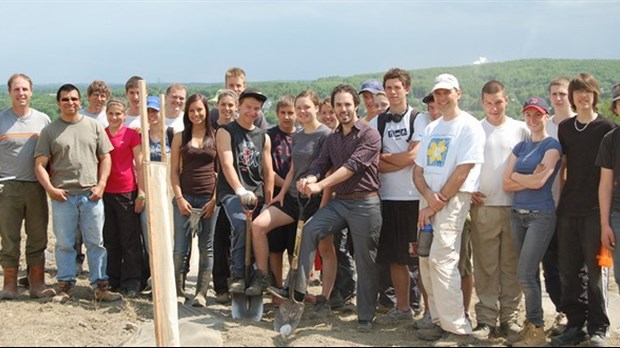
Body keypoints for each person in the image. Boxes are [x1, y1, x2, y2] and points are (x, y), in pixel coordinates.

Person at [294, 84, 382, 332]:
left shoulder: (369, 135)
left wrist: (321, 184)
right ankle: (298, 293)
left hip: (366, 202)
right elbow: (320, 164)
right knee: (311, 230)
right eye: (338, 105)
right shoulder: (332, 139)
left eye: (347, 104)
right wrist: (309, 178)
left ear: (356, 106)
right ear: (332, 107)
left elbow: (351, 167)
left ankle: (365, 315)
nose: (343, 109)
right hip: (341, 202)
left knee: (365, 260)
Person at [413, 73, 484, 345]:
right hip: (428, 201)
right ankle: (438, 319)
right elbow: (418, 171)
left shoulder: (469, 126)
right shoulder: (432, 128)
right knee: (425, 259)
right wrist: (429, 198)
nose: (441, 98)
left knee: (443, 261)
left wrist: (437, 200)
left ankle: (457, 327)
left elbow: (463, 170)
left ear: (458, 93)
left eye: (446, 93)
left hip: (452, 202)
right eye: (437, 94)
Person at [34, 83, 120, 303]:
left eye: (73, 99)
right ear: (58, 103)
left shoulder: (94, 126)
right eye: (65, 99)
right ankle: (65, 286)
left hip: (91, 196)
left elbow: (106, 157)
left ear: (80, 101)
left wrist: (101, 185)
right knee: (64, 243)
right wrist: (51, 190)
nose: (70, 103)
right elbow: (39, 165)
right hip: (63, 197)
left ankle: (100, 286)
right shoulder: (50, 131)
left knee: (96, 242)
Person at [248, 91, 333, 310]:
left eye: (307, 107)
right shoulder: (298, 134)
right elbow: (294, 168)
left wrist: (324, 202)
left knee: (320, 247)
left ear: (316, 108)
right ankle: (264, 277)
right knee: (258, 226)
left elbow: (329, 170)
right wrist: (282, 193)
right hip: (294, 198)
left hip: (316, 199)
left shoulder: (326, 135)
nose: (302, 112)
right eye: (299, 108)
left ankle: (321, 296)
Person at [552, 73, 615, 347]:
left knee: (595, 271)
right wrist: (558, 203)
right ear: (573, 97)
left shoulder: (608, 128)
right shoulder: (565, 128)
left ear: (595, 95)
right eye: (578, 92)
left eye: (588, 92)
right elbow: (563, 169)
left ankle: (598, 327)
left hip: (595, 209)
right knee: (568, 269)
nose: (583, 96)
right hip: (568, 209)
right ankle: (574, 323)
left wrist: (606, 217)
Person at [469, 81, 528, 340]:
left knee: (511, 266)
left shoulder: (521, 129)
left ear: (507, 101)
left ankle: (510, 318)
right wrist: (468, 189)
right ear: (483, 103)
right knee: (485, 266)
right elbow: (465, 164)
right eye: (489, 103)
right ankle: (485, 319)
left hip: (516, 207)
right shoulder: (475, 130)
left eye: (499, 102)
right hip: (484, 208)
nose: (494, 108)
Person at [503, 96, 562, 347]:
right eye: (528, 115)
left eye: (538, 114)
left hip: (541, 216)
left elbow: (540, 183)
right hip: (517, 215)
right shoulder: (521, 147)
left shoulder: (552, 146)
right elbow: (505, 183)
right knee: (530, 274)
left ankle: (537, 331)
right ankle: (532, 324)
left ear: (546, 116)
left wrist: (518, 176)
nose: (533, 119)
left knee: (525, 274)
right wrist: (522, 176)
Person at [374, 68, 422, 325]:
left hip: (414, 198)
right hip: (387, 198)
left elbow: (414, 157)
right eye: (389, 88)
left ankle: (428, 311)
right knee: (394, 257)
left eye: (397, 87)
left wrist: (388, 159)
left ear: (407, 89)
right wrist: (399, 160)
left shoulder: (418, 118)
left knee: (419, 258)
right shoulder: (377, 122)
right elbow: (373, 162)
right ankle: (402, 309)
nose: (393, 92)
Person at [0, 73, 55, 300]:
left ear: (31, 92)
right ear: (9, 92)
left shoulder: (43, 120)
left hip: (35, 187)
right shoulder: (2, 119)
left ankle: (37, 283)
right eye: (16, 89)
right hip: (7, 188)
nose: (21, 93)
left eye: (25, 89)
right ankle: (10, 284)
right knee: (9, 237)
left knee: (37, 236)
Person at [215, 87, 273, 295]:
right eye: (248, 107)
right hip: (233, 192)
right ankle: (238, 275)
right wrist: (239, 190)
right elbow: (227, 163)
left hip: (257, 195)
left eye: (256, 108)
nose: (252, 111)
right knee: (241, 223)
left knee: (259, 230)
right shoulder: (226, 132)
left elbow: (268, 172)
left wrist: (269, 200)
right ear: (239, 106)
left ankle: (259, 275)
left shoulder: (263, 137)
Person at [170, 93, 219, 307]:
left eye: (199, 110)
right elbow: (173, 172)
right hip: (185, 199)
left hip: (208, 200)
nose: (196, 114)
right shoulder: (180, 137)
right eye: (191, 110)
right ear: (186, 113)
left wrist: (215, 200)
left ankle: (201, 293)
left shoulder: (217, 136)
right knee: (181, 248)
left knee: (206, 248)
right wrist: (179, 198)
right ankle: (179, 291)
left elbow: (222, 172)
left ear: (206, 111)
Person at [252, 95, 298, 300]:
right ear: (277, 114)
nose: (287, 117)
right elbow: (267, 170)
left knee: (293, 249)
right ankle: (276, 290)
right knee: (276, 248)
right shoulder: (269, 135)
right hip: (278, 199)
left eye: (291, 112)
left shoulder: (304, 135)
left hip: (299, 200)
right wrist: (284, 187)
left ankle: (293, 289)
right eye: (283, 113)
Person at [543, 76, 576, 337]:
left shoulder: (579, 123)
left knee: (573, 265)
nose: (558, 98)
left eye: (562, 93)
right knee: (550, 264)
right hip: (546, 205)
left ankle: (580, 316)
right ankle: (562, 313)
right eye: (554, 94)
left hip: (574, 206)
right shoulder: (544, 126)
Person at [102, 98, 145, 298]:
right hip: (106, 192)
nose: (114, 117)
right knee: (111, 239)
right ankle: (113, 279)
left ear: (124, 115)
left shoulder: (130, 135)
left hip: (127, 191)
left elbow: (140, 163)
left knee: (130, 239)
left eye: (118, 114)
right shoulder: (101, 134)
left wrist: (141, 192)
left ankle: (132, 281)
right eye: (111, 113)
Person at [211, 89, 239, 304]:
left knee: (237, 240)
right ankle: (221, 286)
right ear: (218, 105)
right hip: (219, 192)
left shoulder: (241, 130)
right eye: (224, 105)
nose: (227, 109)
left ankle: (237, 283)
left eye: (231, 105)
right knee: (219, 240)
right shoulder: (212, 129)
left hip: (239, 191)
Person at [597, 83, 620, 291]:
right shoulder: (610, 140)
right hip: (618, 215)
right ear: (615, 108)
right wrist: (605, 224)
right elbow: (605, 184)